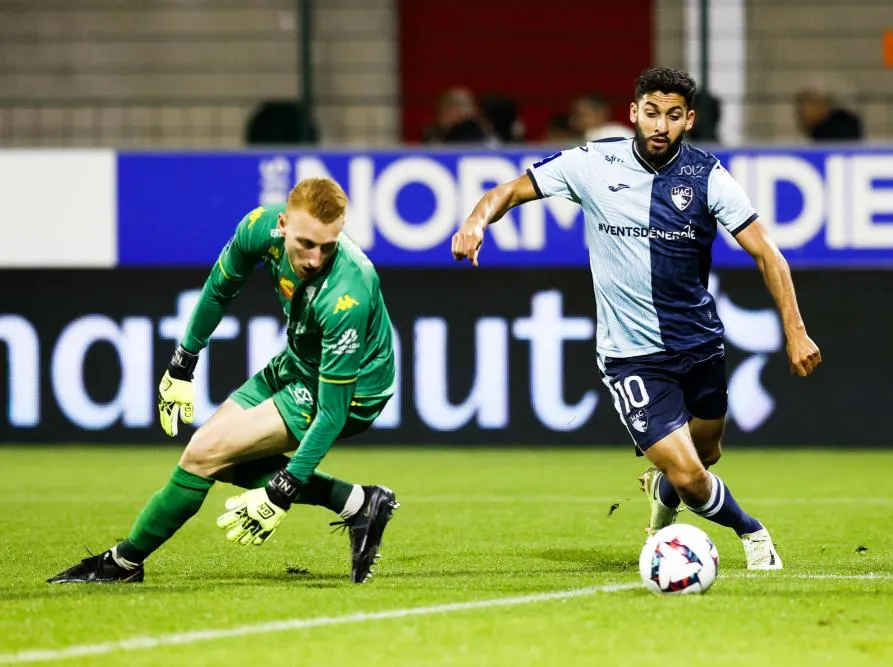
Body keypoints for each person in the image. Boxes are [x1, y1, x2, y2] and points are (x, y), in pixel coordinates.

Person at [451, 67, 821, 570]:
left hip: (700, 345)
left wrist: (795, 332)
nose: (660, 126)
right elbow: (509, 191)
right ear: (633, 114)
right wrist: (476, 220)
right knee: (692, 477)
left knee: (705, 458)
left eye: (672, 116)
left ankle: (662, 494)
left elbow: (768, 254)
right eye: (651, 113)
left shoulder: (707, 177)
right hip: (632, 358)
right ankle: (752, 533)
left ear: (689, 120)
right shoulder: (592, 163)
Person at [48, 177, 399, 585]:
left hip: (353, 390)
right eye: (306, 243)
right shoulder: (258, 228)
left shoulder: (348, 293)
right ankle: (359, 503)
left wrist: (281, 492)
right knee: (213, 456)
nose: (316, 258)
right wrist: (182, 365)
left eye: (328, 246)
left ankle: (122, 563)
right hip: (298, 361)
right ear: (283, 224)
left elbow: (333, 413)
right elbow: (219, 289)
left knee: (203, 453)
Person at [795, 85, 864, 141]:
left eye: (805, 108)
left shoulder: (840, 126)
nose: (802, 115)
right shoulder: (817, 130)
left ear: (821, 106)